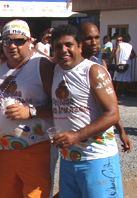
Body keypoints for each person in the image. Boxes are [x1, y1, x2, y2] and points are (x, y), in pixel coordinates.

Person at [50, 24, 124, 198]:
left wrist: (77, 135)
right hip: (69, 160)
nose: (64, 50)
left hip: (97, 159)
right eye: (58, 47)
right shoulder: (56, 71)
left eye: (69, 45)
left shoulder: (93, 71)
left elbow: (112, 114)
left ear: (79, 46)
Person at [0, 19, 55, 198]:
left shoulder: (41, 65)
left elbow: (60, 106)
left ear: (30, 41)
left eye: (19, 41)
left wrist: (31, 112)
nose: (12, 46)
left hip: (35, 148)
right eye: (7, 41)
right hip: (3, 149)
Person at [78, 22, 132, 153]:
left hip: (100, 134)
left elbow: (109, 102)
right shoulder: (71, 66)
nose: (94, 42)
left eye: (96, 38)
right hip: (79, 137)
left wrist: (121, 131)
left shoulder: (100, 64)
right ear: (79, 40)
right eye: (88, 38)